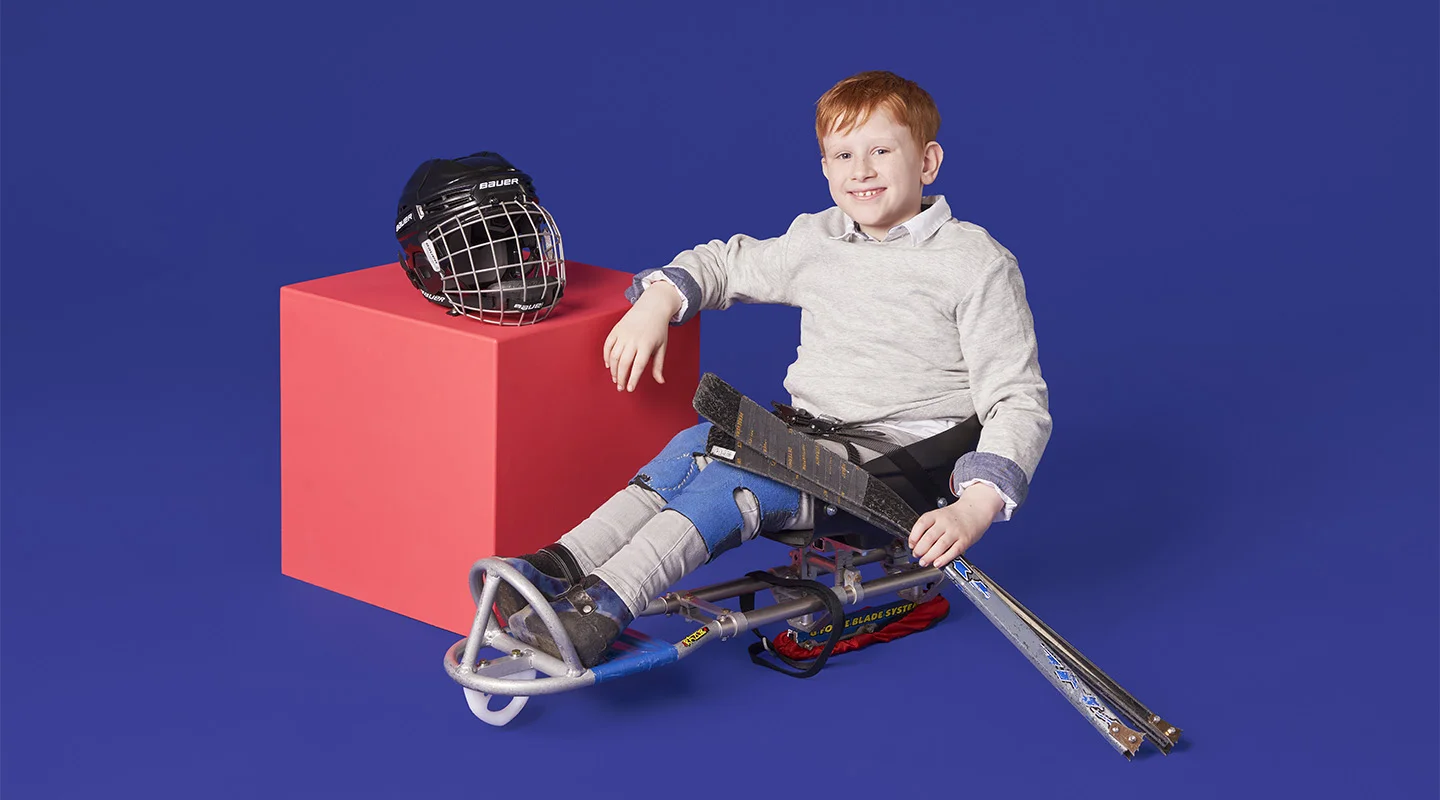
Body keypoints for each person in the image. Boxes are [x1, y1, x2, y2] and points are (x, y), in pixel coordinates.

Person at [491, 70, 1051, 668]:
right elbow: (726, 265)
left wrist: (976, 504)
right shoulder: (821, 240)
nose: (861, 170)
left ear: (928, 162)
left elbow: (1016, 400)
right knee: (693, 445)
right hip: (812, 438)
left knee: (735, 481)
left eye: (881, 150)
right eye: (843, 154)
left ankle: (604, 604)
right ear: (826, 169)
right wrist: (659, 299)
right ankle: (560, 568)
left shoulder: (974, 261)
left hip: (902, 463)